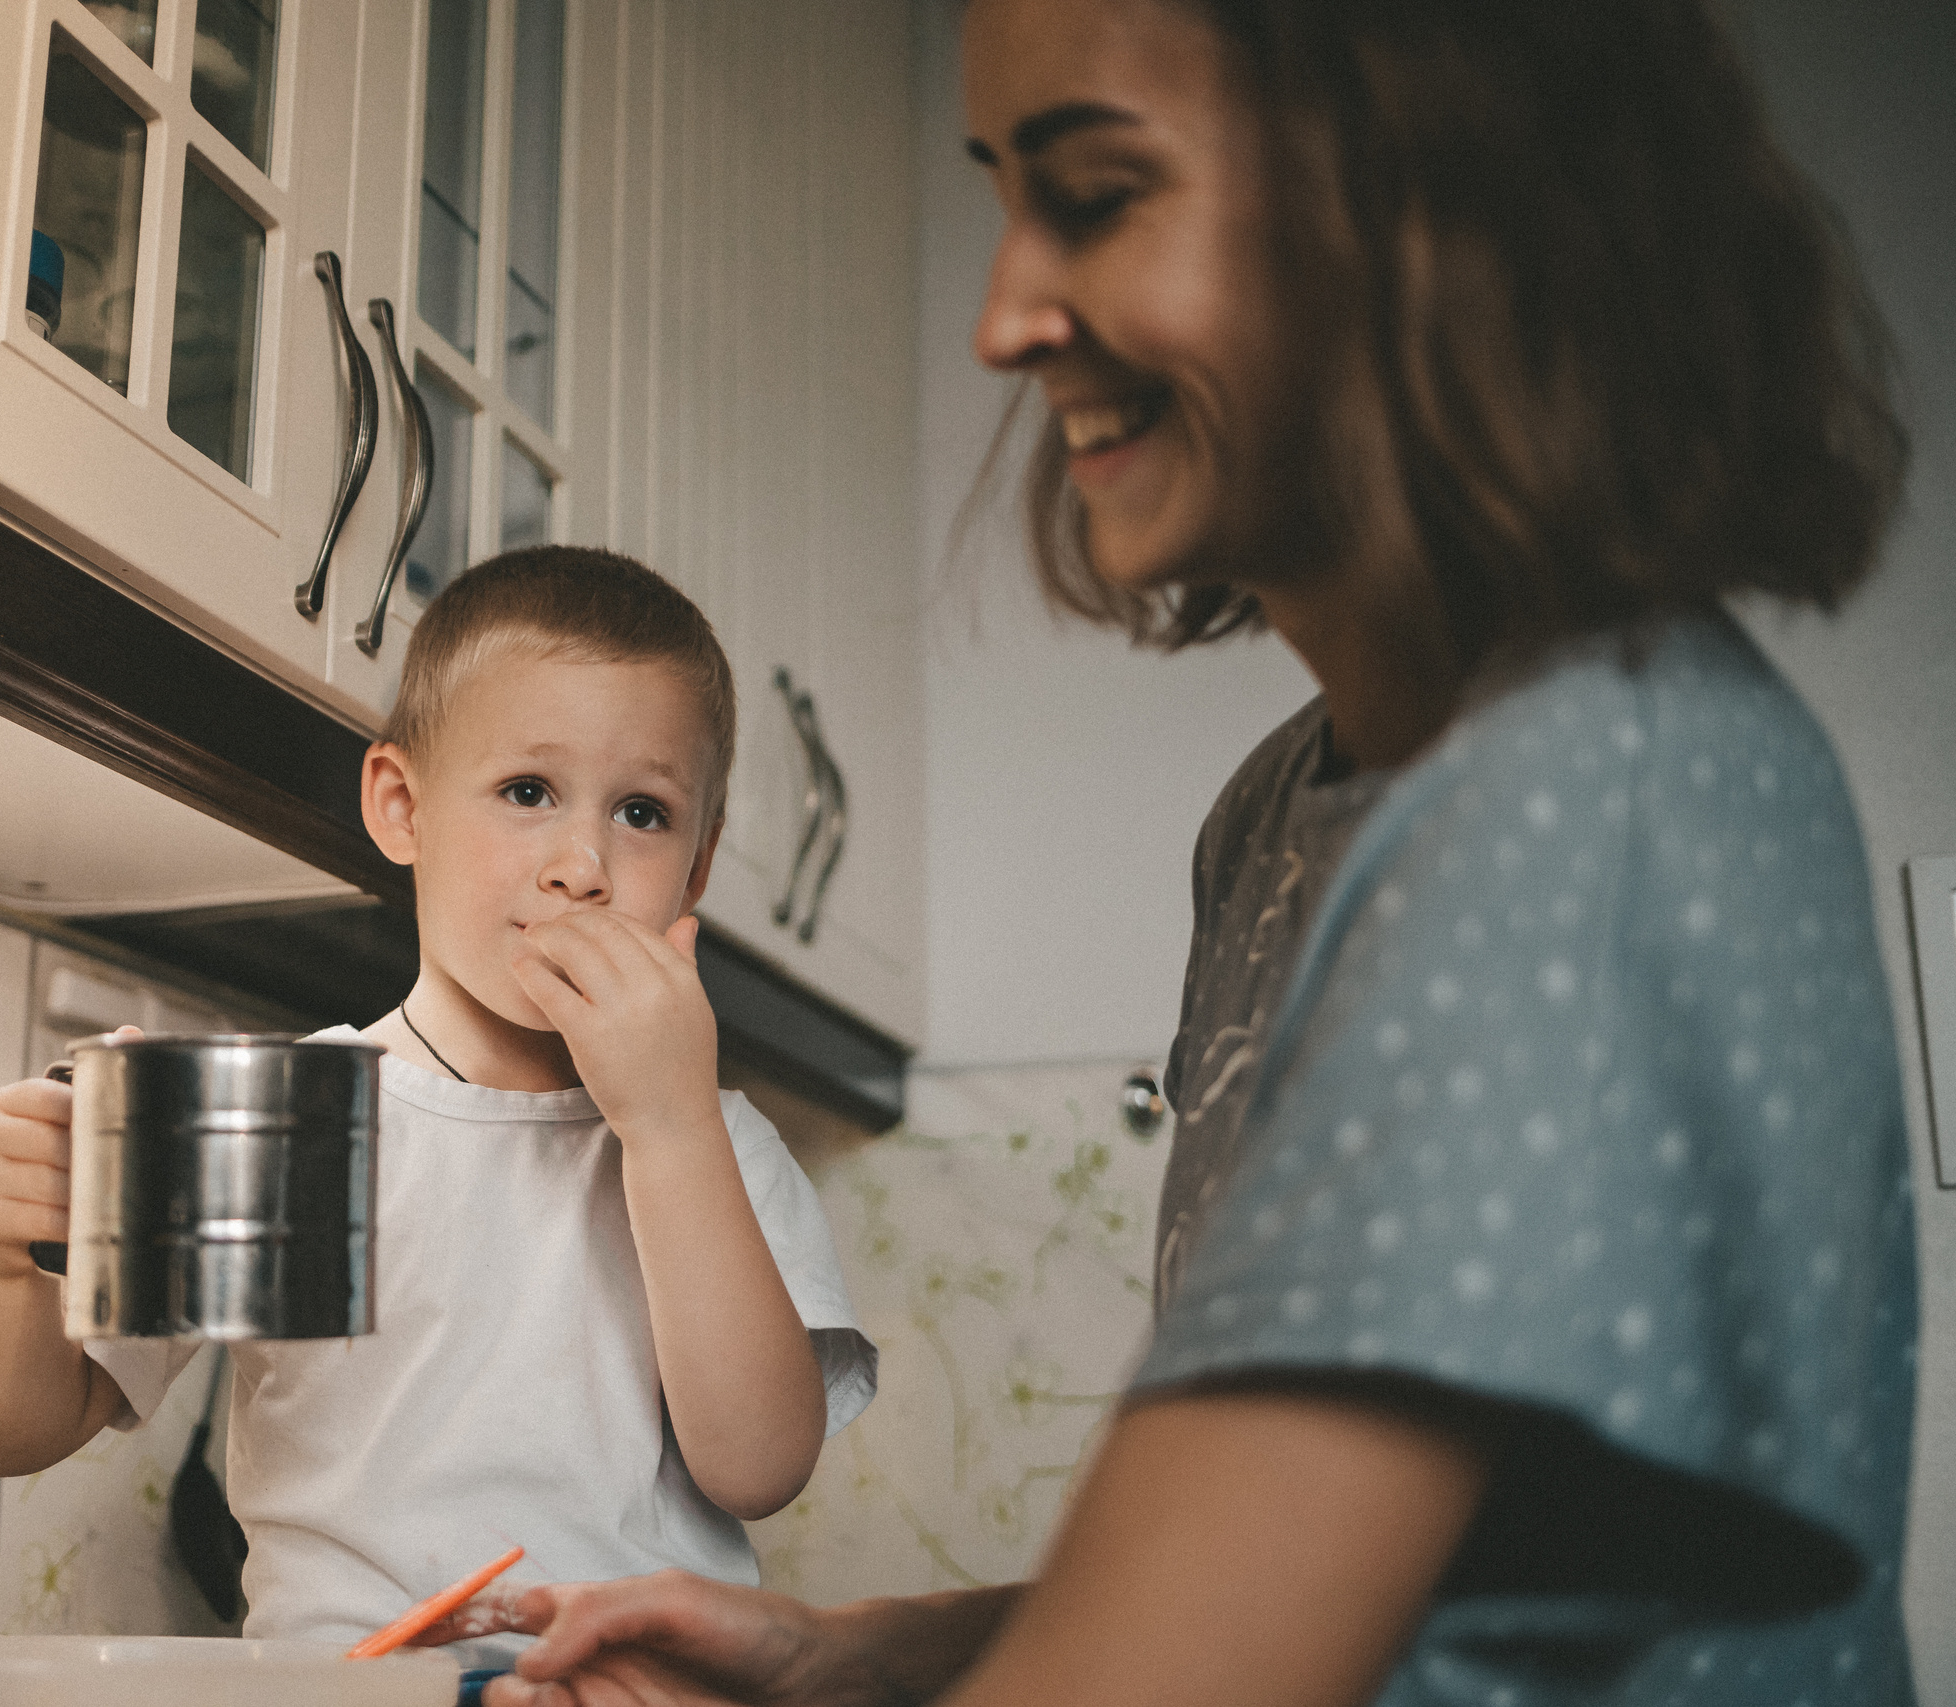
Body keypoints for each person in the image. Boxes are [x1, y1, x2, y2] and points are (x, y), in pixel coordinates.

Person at [428, 0, 1919, 1701]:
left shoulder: (1589, 800)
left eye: (1099, 193)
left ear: (1419, 207)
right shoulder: (1290, 811)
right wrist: (848, 1650)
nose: (1000, 317)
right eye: (1006, 198)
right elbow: (1397, 1599)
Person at [0, 548, 878, 1661]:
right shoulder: (289, 1119)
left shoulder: (718, 1143)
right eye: (527, 792)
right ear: (401, 807)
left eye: (642, 812)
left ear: (697, 867)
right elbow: (22, 1431)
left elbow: (761, 1467)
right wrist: (10, 1262)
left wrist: (668, 1126)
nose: (582, 864)